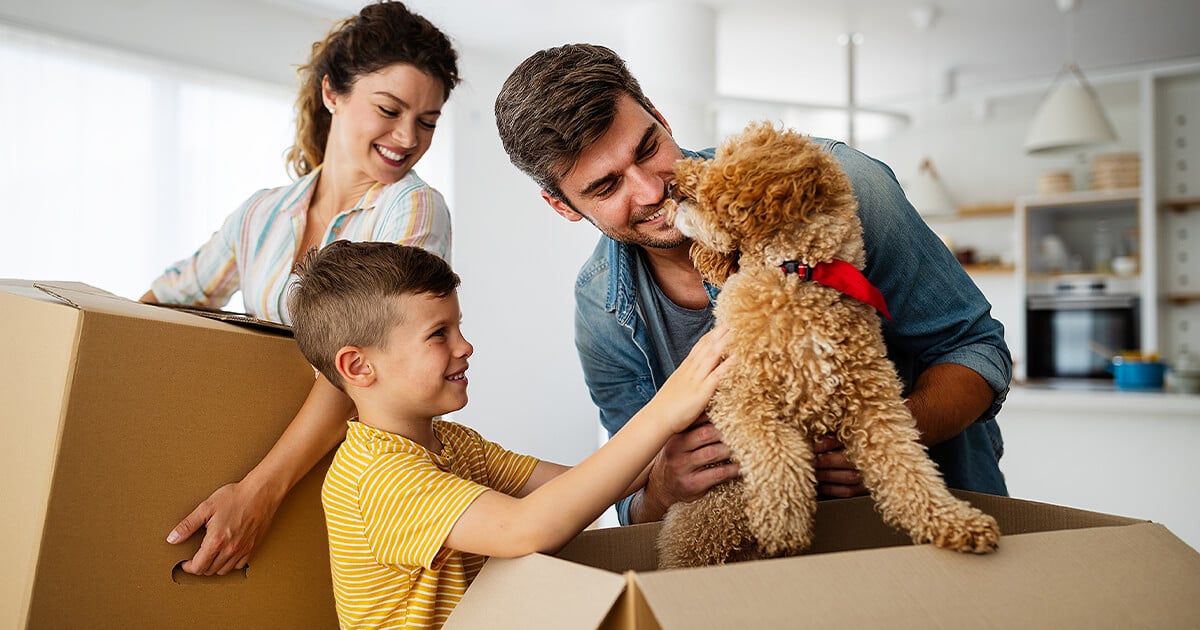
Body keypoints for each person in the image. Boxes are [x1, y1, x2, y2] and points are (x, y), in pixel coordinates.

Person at [494, 43, 1012, 527]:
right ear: (562, 206)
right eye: (607, 186)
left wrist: (883, 439)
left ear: (660, 116)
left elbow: (975, 348)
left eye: (649, 148)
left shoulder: (830, 185)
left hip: (932, 527)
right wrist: (663, 491)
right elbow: (628, 493)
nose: (654, 189)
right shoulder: (599, 307)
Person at [146, 1, 461, 575]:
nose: (407, 136)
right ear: (332, 94)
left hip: (359, 477)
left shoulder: (412, 208)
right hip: (251, 460)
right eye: (389, 110)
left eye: (428, 122)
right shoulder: (262, 215)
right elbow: (166, 299)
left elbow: (369, 364)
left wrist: (262, 490)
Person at [288, 240, 730, 628]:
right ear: (358, 367)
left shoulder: (455, 445)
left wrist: (684, 441)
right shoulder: (376, 477)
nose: (465, 346)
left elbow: (580, 482)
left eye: (458, 326)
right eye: (439, 334)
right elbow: (526, 528)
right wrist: (664, 410)